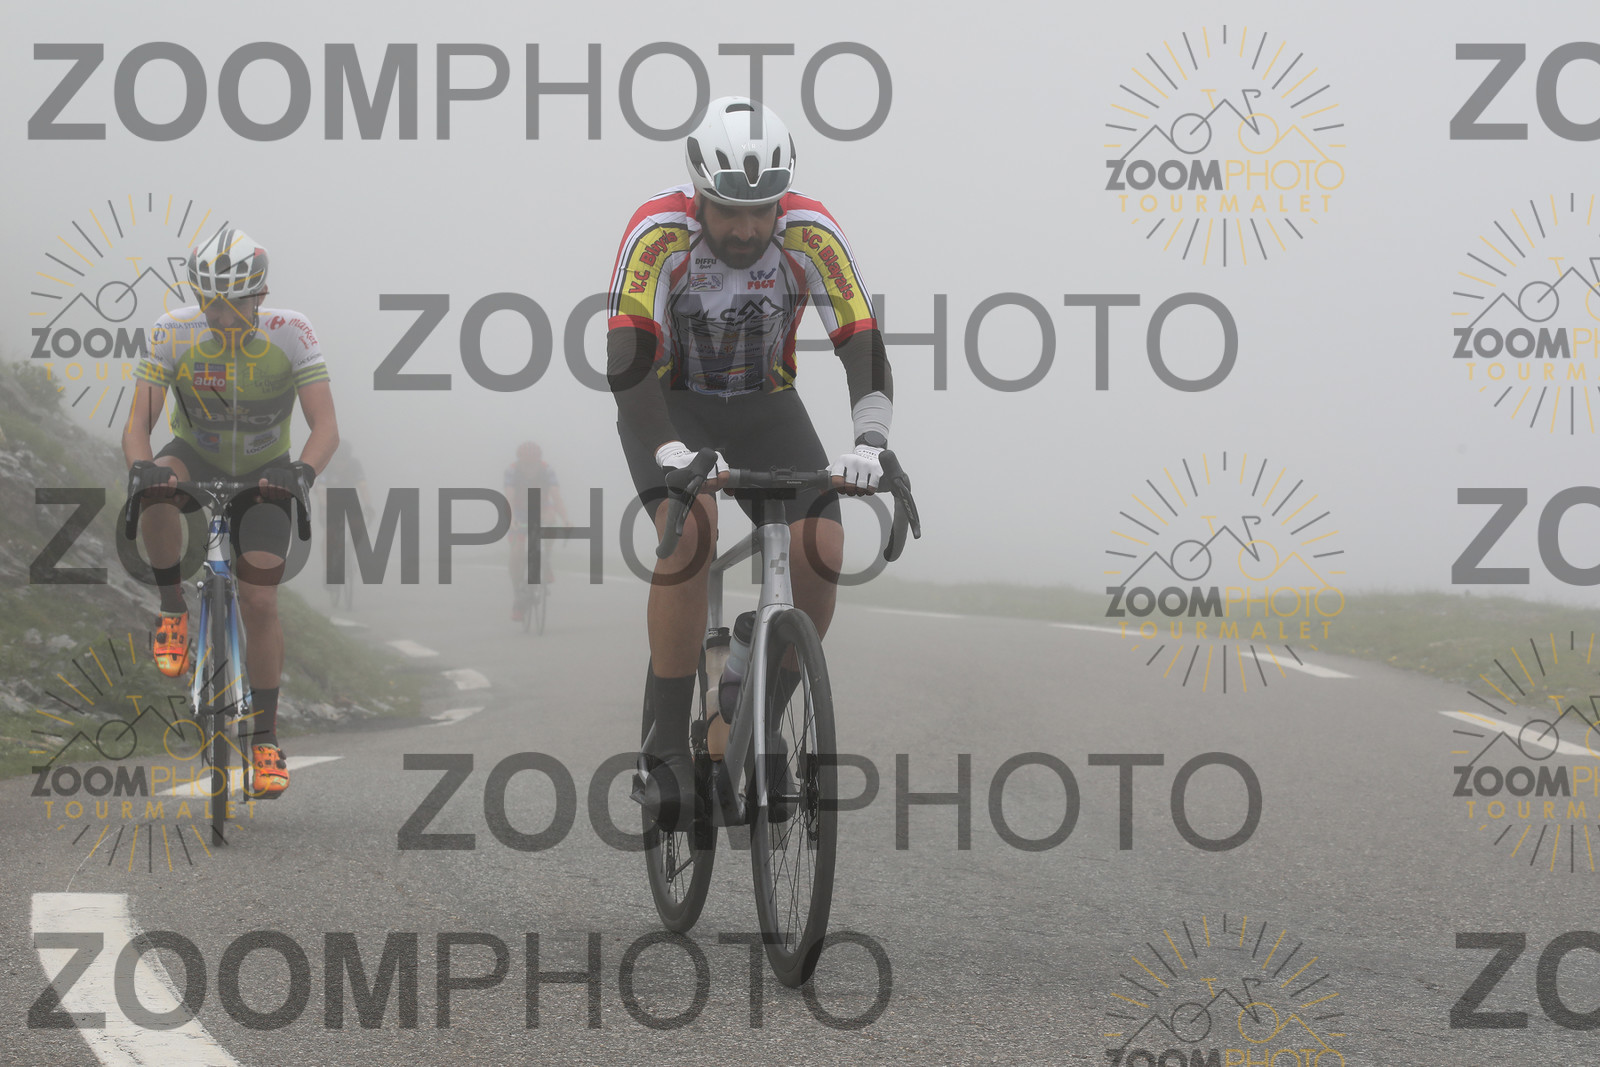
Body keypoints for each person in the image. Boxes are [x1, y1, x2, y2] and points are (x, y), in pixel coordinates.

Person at [606, 96, 896, 830]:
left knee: (822, 545)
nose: (745, 229)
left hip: (766, 404)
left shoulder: (810, 232)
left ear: (781, 200)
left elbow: (860, 339)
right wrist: (669, 451)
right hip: (670, 406)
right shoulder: (657, 235)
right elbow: (628, 357)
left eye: (761, 211)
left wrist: (870, 441)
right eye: (729, 211)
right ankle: (665, 749)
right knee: (692, 530)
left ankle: (753, 714)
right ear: (699, 194)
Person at [121, 227, 339, 800]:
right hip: (194, 454)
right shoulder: (173, 331)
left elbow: (325, 426)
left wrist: (302, 473)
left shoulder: (291, 332)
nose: (219, 316)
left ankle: (264, 740)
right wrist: (141, 467)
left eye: (232, 303)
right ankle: (173, 608)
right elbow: (138, 425)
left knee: (260, 601)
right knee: (155, 486)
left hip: (267, 471)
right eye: (209, 303)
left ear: (259, 295)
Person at [504, 441, 568, 620]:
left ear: (539, 461)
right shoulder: (512, 470)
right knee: (516, 553)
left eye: (533, 464)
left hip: (541, 508)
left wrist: (565, 519)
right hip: (519, 511)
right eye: (526, 464)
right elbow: (509, 496)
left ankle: (545, 560)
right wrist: (511, 519)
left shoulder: (547, 470)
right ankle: (518, 592)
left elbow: (556, 496)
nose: (530, 468)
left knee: (550, 520)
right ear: (520, 461)